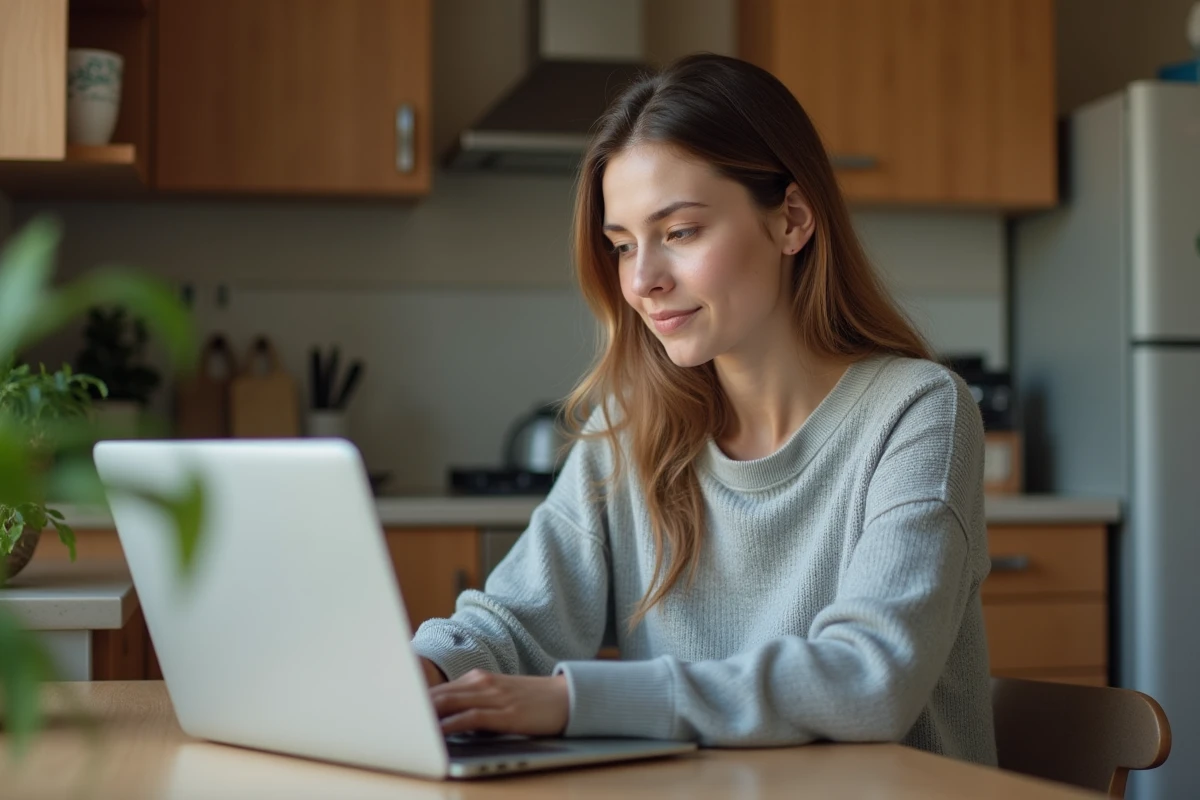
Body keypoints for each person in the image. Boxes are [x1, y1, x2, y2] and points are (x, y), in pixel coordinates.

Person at [412, 53, 996, 765]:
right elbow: (512, 619)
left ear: (792, 220)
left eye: (680, 232)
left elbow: (870, 679)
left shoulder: (918, 412)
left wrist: (578, 702)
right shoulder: (631, 428)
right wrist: (420, 675)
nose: (643, 280)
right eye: (622, 245)